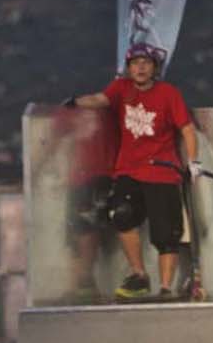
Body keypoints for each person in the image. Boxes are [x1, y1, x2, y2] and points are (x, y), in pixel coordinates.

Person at [68, 43, 201, 300]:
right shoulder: (121, 89)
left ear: (154, 68)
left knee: (166, 233)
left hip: (162, 170)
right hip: (129, 170)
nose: (140, 68)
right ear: (128, 68)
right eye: (135, 63)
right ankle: (139, 274)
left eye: (146, 63)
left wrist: (193, 162)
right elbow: (100, 99)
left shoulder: (168, 93)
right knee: (121, 215)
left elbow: (187, 129)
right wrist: (75, 102)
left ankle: (164, 288)